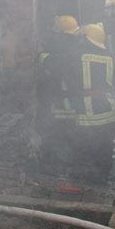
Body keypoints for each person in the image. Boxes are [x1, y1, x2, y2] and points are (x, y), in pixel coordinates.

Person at [70, 23, 115, 184]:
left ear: (86, 39)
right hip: (108, 111)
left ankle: (83, 181)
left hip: (87, 111)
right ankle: (101, 179)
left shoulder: (76, 56)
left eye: (80, 38)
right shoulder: (111, 57)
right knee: (105, 148)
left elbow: (68, 80)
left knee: (83, 148)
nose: (78, 41)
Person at [33, 16, 81, 170]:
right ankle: (65, 162)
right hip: (70, 98)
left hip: (61, 97)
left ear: (61, 33)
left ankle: (51, 164)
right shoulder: (77, 45)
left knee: (55, 130)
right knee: (67, 131)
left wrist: (42, 56)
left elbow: (56, 66)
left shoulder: (65, 46)